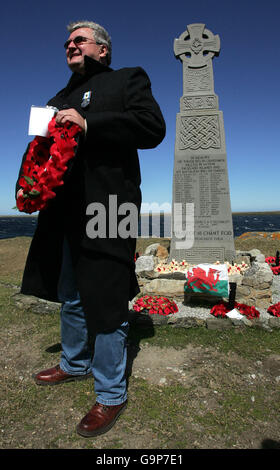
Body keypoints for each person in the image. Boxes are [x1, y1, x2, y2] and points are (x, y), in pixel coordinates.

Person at [16, 20, 166, 437]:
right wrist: (27, 188)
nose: (70, 45)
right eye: (67, 42)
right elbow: (37, 151)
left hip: (107, 207)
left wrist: (89, 123)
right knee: (71, 293)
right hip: (62, 213)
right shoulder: (57, 98)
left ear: (103, 49)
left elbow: (152, 128)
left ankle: (111, 393)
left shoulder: (126, 80)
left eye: (79, 39)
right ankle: (74, 364)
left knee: (105, 300)